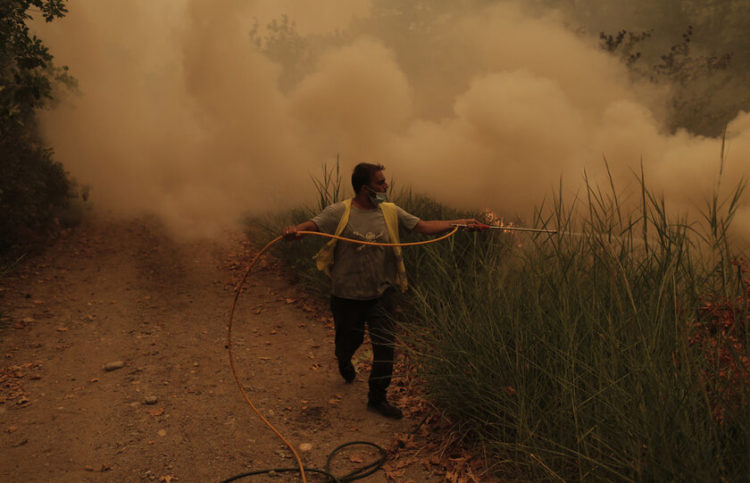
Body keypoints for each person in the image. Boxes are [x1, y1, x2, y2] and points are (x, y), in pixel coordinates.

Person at [283, 163, 479, 419]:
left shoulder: (389, 210)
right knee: (349, 342)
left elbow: (423, 226)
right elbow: (309, 227)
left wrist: (460, 223)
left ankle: (377, 399)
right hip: (347, 296)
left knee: (385, 349)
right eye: (380, 183)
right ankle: (344, 359)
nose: (386, 186)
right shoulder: (339, 212)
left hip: (381, 294)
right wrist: (292, 232)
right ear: (365, 188)